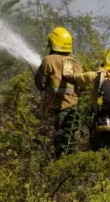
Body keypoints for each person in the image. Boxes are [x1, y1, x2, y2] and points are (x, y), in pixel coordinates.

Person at [34, 26, 83, 157]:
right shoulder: (76, 62)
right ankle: (70, 167)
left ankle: (60, 169)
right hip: (74, 108)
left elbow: (39, 82)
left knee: (60, 143)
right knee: (71, 142)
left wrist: (45, 88)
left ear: (53, 44)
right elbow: (81, 86)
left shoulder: (48, 60)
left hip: (58, 108)